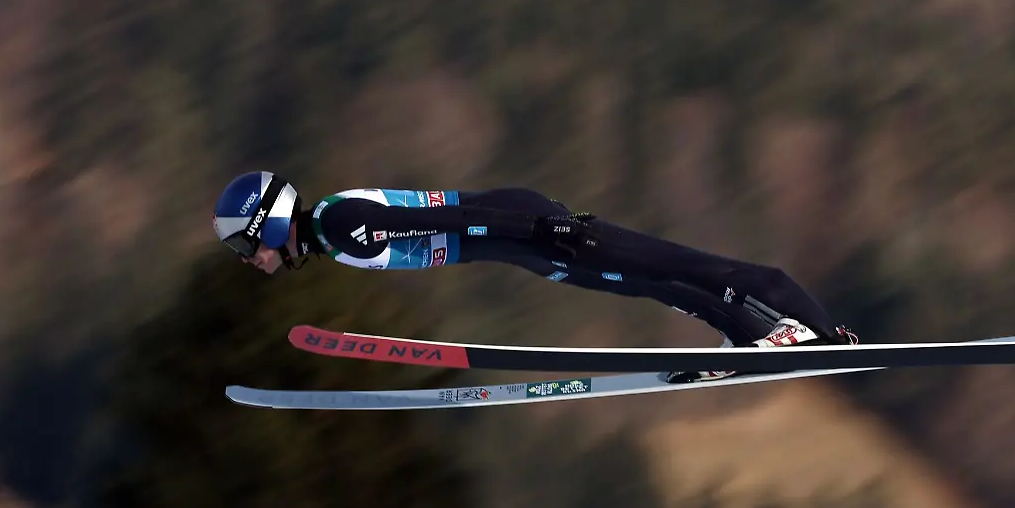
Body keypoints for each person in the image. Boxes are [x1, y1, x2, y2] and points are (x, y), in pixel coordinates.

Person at [211, 170, 859, 383]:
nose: (250, 260)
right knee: (657, 283)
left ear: (267, 224)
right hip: (524, 242)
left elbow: (463, 216)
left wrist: (543, 232)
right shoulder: (332, 229)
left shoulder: (340, 224)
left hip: (526, 231)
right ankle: (760, 337)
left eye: (247, 245)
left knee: (683, 269)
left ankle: (815, 337)